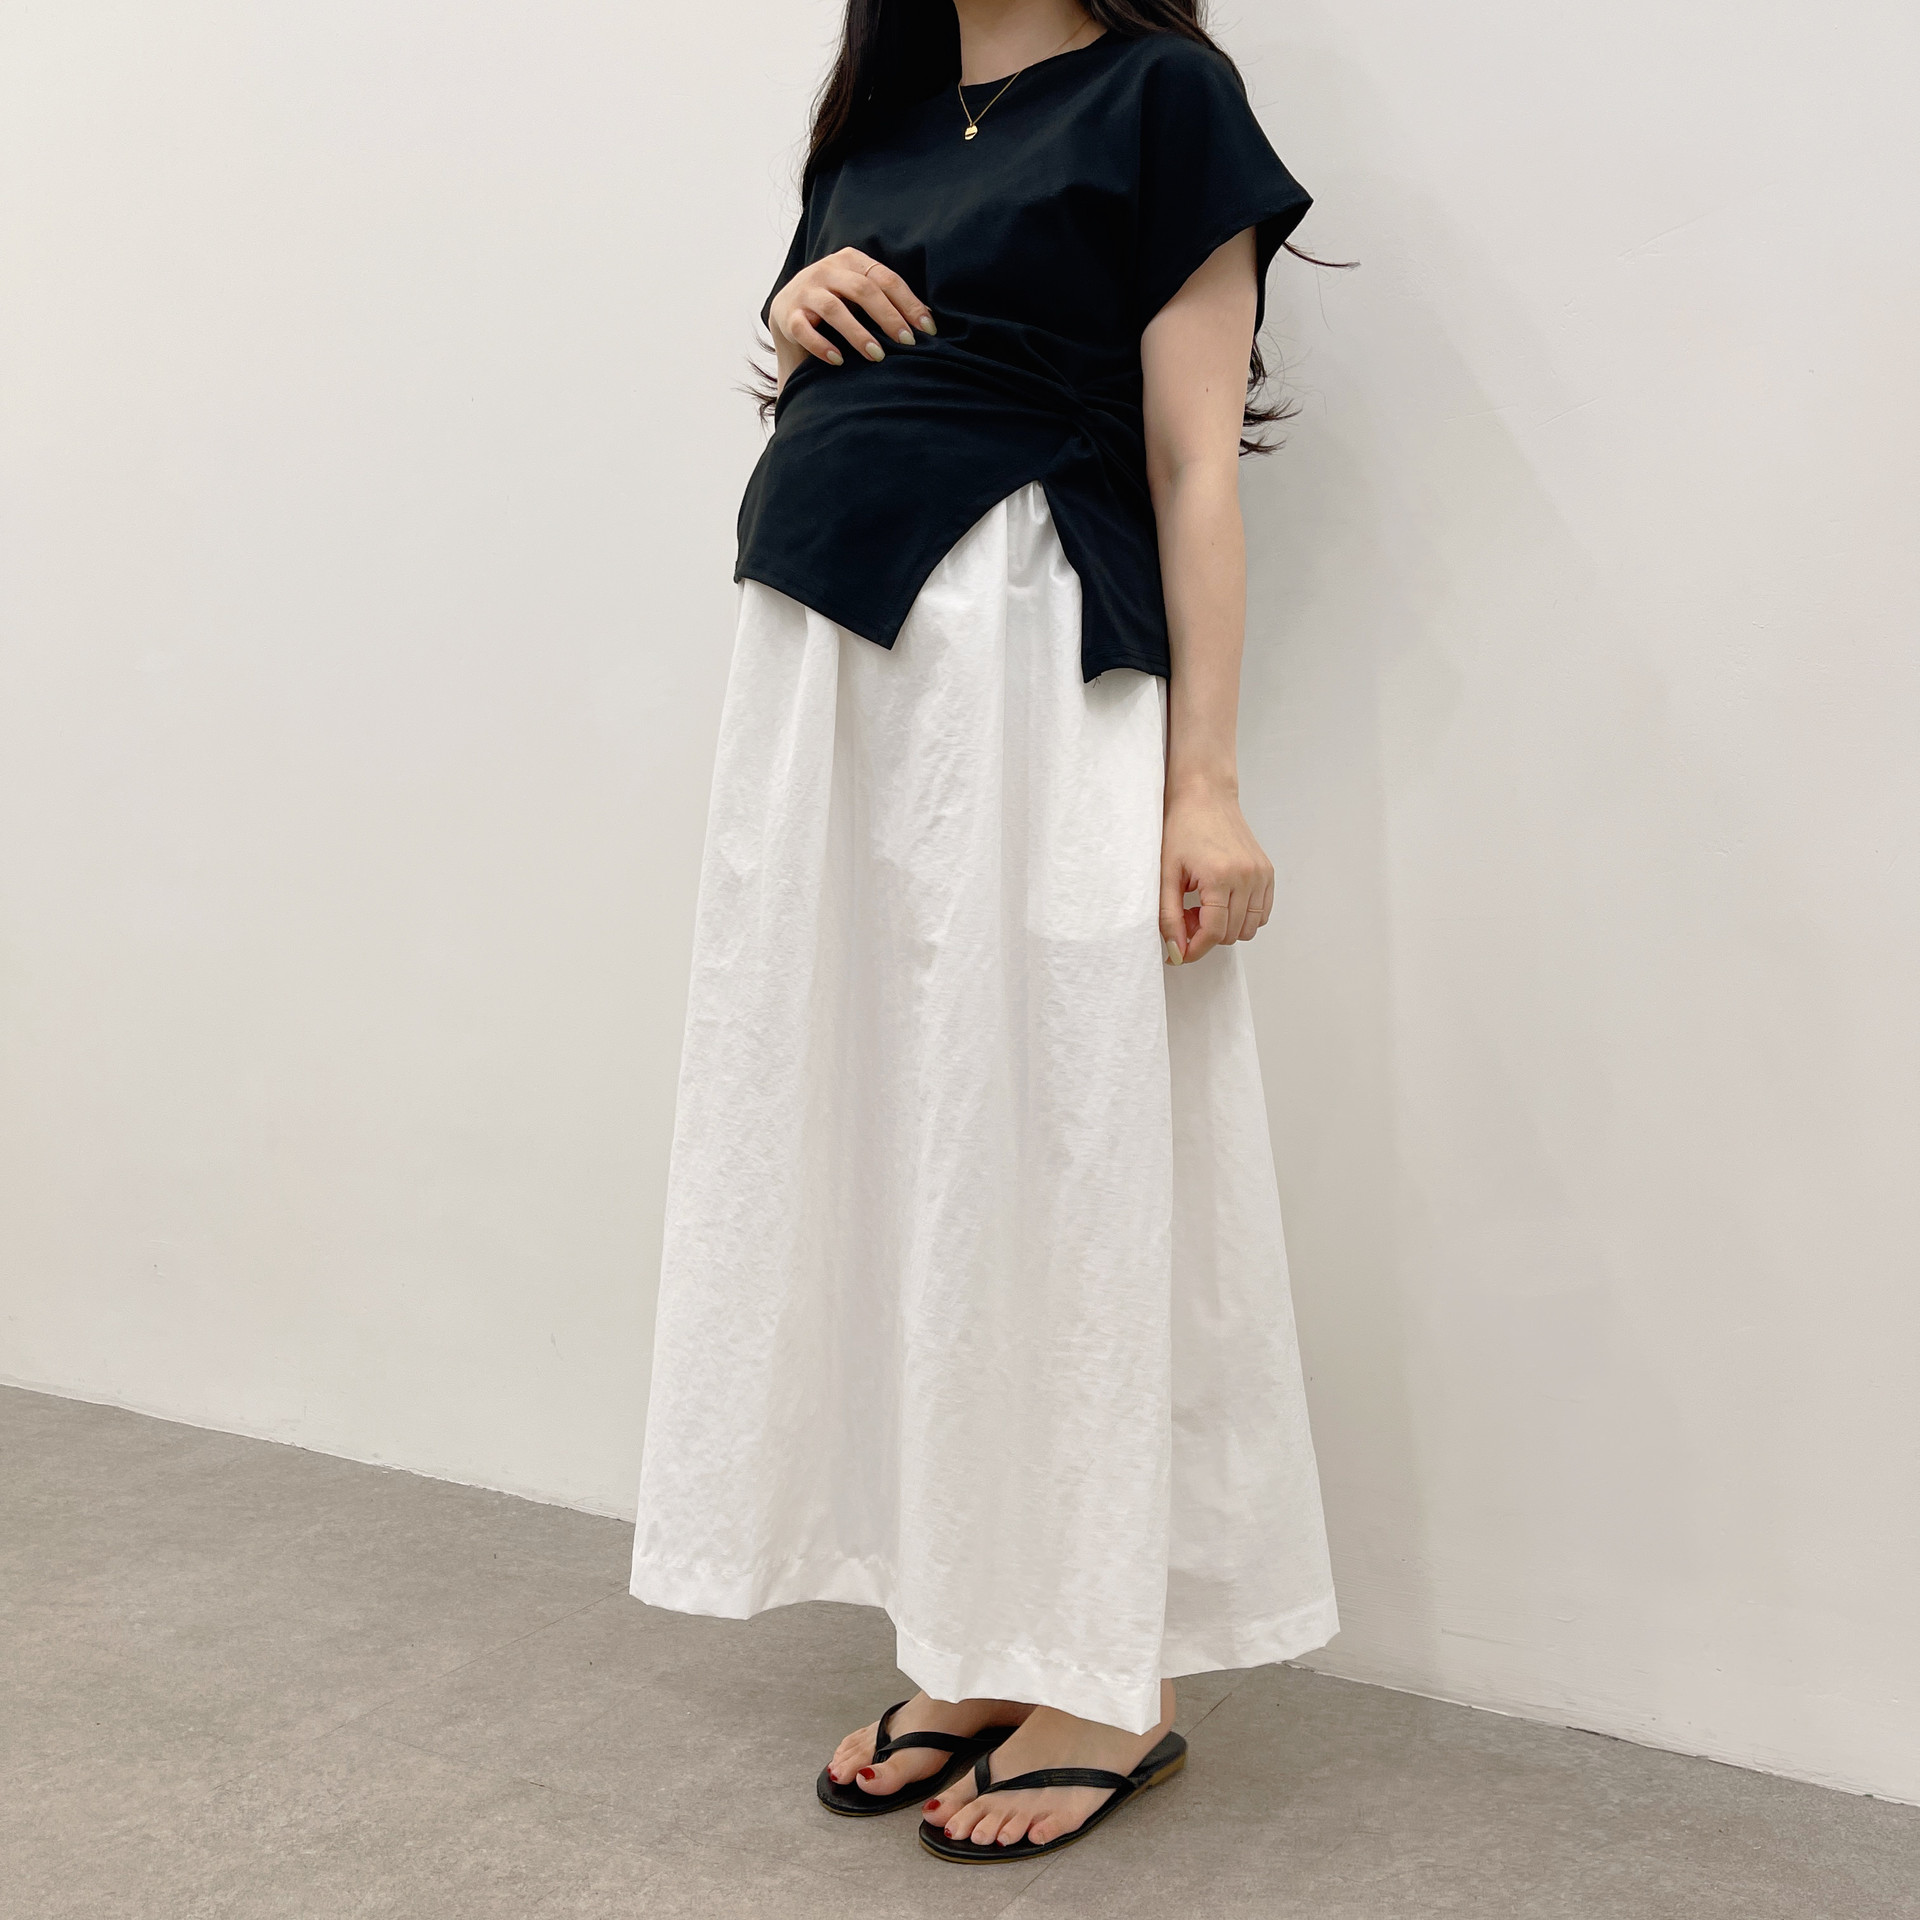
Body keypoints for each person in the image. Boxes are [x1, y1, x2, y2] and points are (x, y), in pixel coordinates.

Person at [630, 0, 1337, 1864]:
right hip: (833, 686)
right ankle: (972, 1635)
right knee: (898, 1149)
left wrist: (1205, 785)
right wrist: (793, 306)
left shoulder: (1163, 95)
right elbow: (841, 354)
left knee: (1064, 1140)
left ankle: (1109, 1672)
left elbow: (1193, 462)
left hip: (1032, 676)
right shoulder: (876, 125)